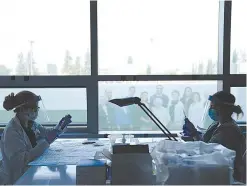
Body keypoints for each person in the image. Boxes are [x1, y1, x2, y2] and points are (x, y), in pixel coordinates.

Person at [0, 91, 70, 184]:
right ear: (21, 110)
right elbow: (21, 161)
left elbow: (46, 133)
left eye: (37, 107)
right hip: (16, 178)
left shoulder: (31, 123)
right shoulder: (12, 131)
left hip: (29, 172)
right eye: (33, 108)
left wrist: (59, 127)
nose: (36, 111)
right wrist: (47, 142)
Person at [183, 91, 246, 183]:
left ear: (223, 109)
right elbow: (206, 142)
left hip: (224, 177)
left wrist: (194, 136)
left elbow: (208, 153)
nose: (210, 109)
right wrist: (194, 134)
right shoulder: (217, 124)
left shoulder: (229, 131)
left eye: (213, 107)